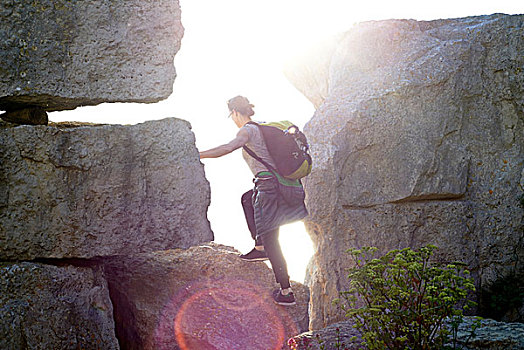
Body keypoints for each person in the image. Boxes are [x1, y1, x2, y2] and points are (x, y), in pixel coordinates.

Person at [199, 95, 308, 306]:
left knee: (271, 238)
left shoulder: (247, 130)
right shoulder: (263, 127)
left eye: (231, 115)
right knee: (247, 199)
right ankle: (259, 247)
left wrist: (197, 154)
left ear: (235, 113)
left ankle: (286, 292)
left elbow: (227, 148)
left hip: (268, 188)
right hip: (276, 185)